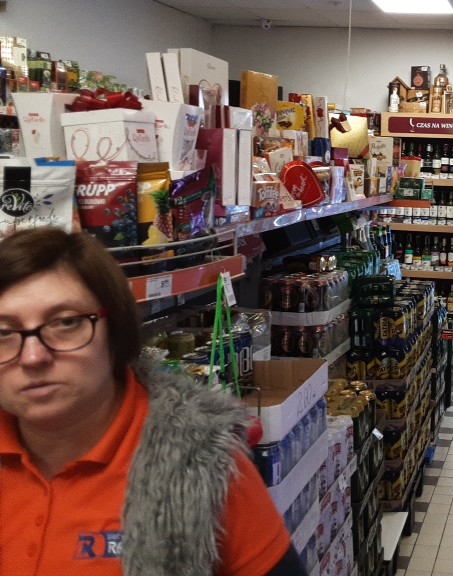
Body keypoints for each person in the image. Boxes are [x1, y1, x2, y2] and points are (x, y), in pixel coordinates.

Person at [0, 227, 307, 576]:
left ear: (115, 331)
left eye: (66, 323)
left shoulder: (205, 465)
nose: (33, 357)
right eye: (3, 332)